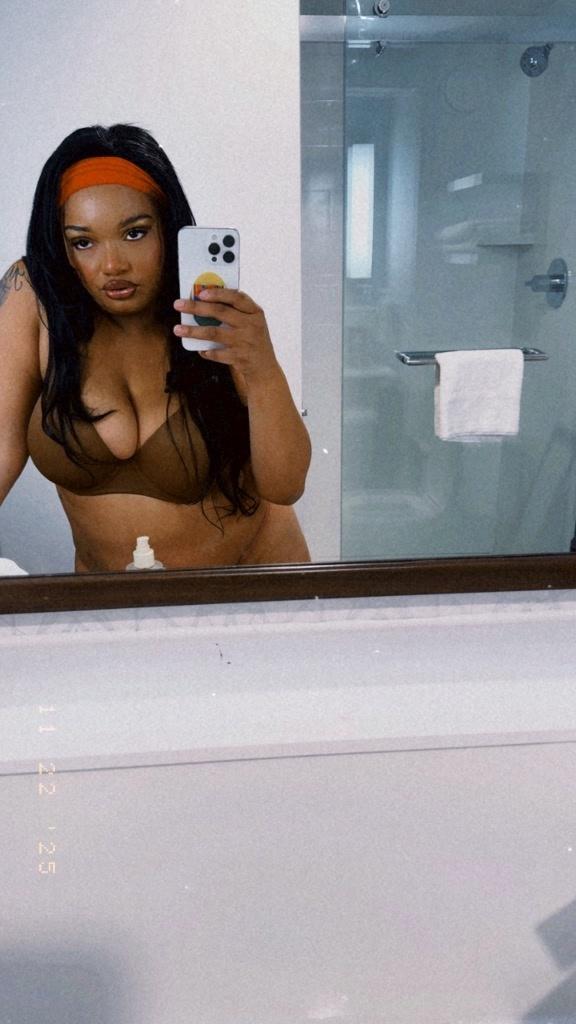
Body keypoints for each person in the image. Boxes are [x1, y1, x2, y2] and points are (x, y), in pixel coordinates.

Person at [0, 124, 311, 572]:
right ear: (63, 248)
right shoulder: (34, 295)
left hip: (248, 583)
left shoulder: (212, 311)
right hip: (111, 598)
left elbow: (285, 486)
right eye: (83, 242)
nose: (112, 265)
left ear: (168, 227)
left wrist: (262, 367)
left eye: (134, 233)